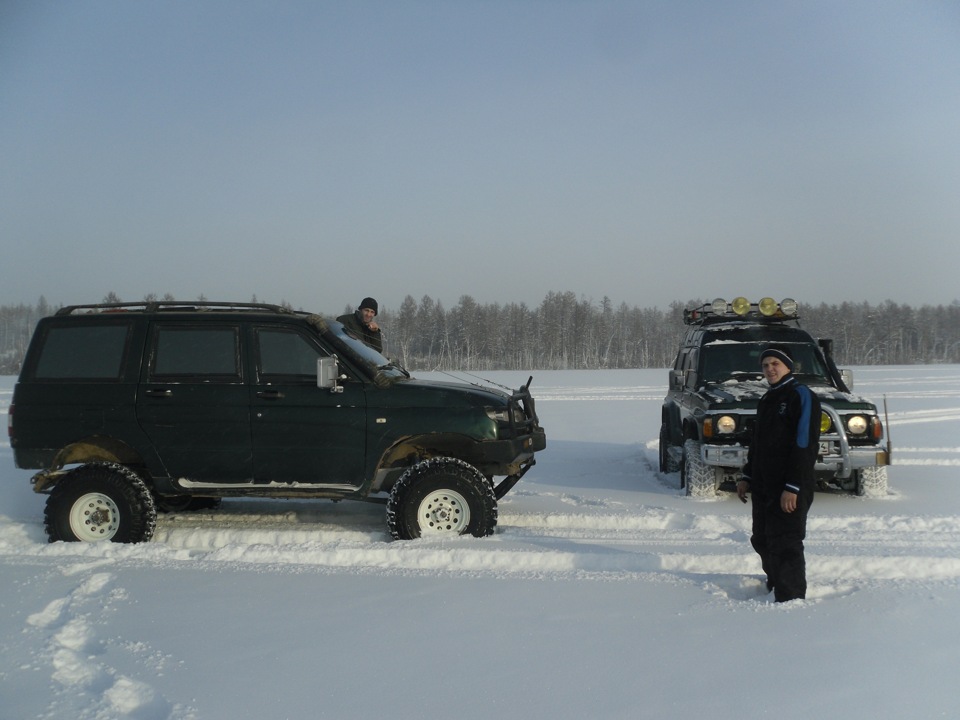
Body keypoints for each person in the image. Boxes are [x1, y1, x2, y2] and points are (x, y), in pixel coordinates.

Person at [737, 346, 821, 602]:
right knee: (762, 538)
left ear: (788, 366)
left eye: (775, 363)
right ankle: (775, 585)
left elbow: (805, 444)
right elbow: (758, 443)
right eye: (765, 365)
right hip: (764, 485)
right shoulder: (768, 398)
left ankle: (791, 599)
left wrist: (793, 486)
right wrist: (747, 476)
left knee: (785, 542)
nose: (770, 369)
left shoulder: (801, 395)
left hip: (789, 485)